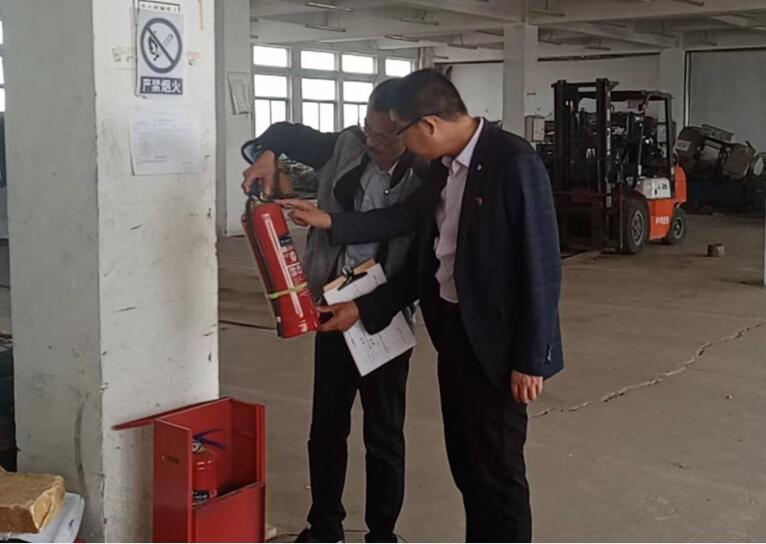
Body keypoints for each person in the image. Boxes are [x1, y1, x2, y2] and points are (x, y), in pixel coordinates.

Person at [281, 69, 564, 543]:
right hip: (455, 338)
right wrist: (330, 221)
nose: (399, 145)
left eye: (401, 132)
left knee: (498, 474)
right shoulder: (442, 169)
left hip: (496, 348)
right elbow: (404, 223)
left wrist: (531, 358)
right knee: (468, 467)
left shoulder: (512, 161)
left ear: (427, 125)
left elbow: (542, 263)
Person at [241, 79, 424, 544]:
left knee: (383, 434)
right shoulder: (347, 147)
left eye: (385, 136)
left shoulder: (427, 175)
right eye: (369, 130)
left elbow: (417, 265)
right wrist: (267, 154)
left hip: (384, 312)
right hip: (332, 307)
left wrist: (365, 305)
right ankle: (324, 526)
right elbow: (286, 132)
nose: (373, 143)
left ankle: (383, 534)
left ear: (410, 130)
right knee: (326, 426)